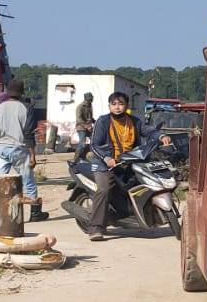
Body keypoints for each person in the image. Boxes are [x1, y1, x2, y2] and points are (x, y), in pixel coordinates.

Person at [82, 91, 172, 241]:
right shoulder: (103, 122)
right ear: (109, 106)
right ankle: (96, 227)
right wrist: (106, 157)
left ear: (127, 106)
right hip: (105, 164)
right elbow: (94, 145)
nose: (117, 107)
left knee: (145, 183)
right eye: (114, 104)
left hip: (128, 161)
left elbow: (149, 131)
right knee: (104, 190)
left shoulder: (134, 121)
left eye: (121, 104)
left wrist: (161, 136)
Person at [0, 80, 48, 224]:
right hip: (19, 148)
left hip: (2, 148)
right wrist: (33, 155)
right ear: (22, 93)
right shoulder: (26, 107)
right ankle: (35, 212)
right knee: (28, 181)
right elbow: (28, 133)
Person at [73, 92, 95, 160]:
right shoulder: (80, 107)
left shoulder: (90, 106)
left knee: (94, 141)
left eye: (91, 99)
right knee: (82, 144)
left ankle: (90, 156)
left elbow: (90, 117)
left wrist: (96, 122)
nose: (90, 101)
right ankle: (76, 159)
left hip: (88, 127)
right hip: (81, 127)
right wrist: (87, 126)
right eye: (89, 100)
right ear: (85, 99)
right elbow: (79, 120)